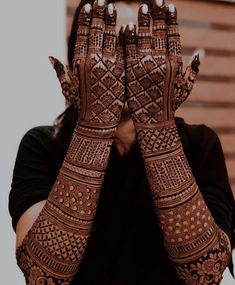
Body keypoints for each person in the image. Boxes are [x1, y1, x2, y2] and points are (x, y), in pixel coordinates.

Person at [9, 0, 235, 284]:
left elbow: (206, 275)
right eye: (110, 45)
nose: (127, 62)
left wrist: (156, 127)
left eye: (141, 44)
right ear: (79, 58)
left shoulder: (201, 145)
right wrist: (95, 127)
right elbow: (43, 276)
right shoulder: (42, 145)